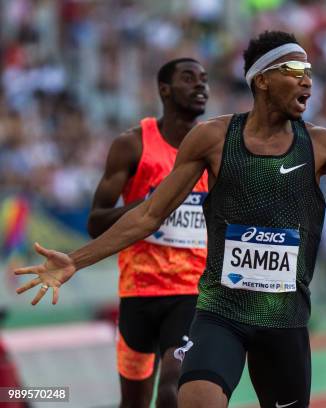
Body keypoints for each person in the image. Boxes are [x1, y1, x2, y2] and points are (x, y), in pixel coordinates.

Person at [14, 31, 326, 408]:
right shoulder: (213, 139)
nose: (307, 82)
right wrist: (75, 263)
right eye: (294, 72)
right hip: (219, 312)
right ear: (262, 80)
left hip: (284, 321)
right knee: (190, 397)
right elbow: (148, 215)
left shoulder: (324, 146)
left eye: (310, 73)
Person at [86, 58, 209, 408]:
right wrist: (149, 205)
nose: (201, 86)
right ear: (164, 90)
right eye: (189, 78)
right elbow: (95, 222)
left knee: (173, 389)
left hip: (191, 291)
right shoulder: (133, 146)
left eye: (204, 79)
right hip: (137, 293)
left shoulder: (214, 148)